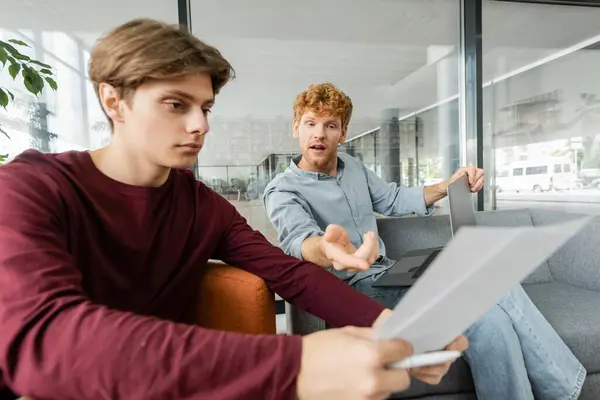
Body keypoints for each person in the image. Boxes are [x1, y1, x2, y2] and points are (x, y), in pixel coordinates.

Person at [0, 19, 469, 400]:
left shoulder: (203, 206)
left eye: (205, 107)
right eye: (175, 104)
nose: (200, 124)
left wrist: (395, 328)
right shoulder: (31, 187)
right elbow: (42, 336)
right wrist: (295, 365)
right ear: (113, 100)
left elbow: (290, 274)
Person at [263, 82, 587, 400]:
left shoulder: (354, 169)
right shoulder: (283, 190)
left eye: (330, 125)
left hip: (391, 274)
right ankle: (568, 391)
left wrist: (449, 185)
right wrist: (329, 250)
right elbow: (298, 240)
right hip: (351, 292)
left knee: (491, 321)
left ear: (343, 133)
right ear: (296, 127)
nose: (319, 133)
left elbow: (393, 199)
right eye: (310, 123)